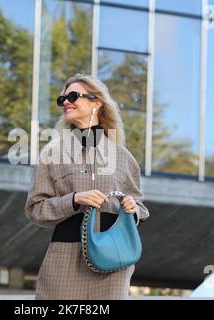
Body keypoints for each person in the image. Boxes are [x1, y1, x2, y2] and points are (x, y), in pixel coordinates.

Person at [25, 74, 149, 299]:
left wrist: (133, 208)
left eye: (73, 96)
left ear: (97, 102)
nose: (65, 102)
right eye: (62, 99)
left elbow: (140, 206)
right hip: (65, 261)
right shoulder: (51, 155)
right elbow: (35, 209)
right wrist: (74, 199)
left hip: (113, 263)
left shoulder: (123, 157)